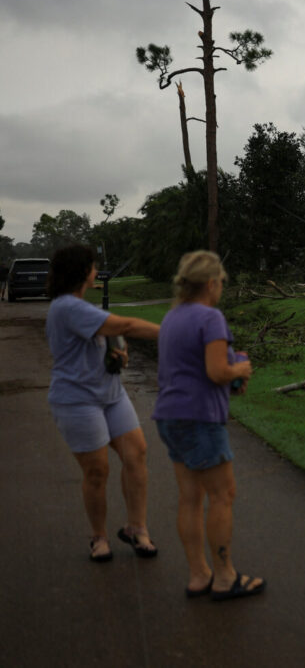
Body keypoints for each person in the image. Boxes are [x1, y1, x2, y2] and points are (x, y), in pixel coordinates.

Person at [152, 250, 265, 601]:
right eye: (221, 283)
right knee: (222, 494)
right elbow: (217, 371)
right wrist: (240, 370)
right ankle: (224, 576)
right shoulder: (210, 317)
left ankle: (199, 574)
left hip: (169, 416)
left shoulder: (172, 317)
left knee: (189, 497)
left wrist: (229, 367)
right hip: (200, 418)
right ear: (212, 283)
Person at [45, 244, 161, 562]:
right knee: (97, 471)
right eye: (93, 266)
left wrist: (115, 355)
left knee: (136, 454)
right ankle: (99, 538)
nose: (96, 271)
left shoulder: (79, 306)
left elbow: (107, 337)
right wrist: (171, 333)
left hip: (110, 394)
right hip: (77, 401)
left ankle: (137, 529)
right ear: (84, 271)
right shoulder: (67, 306)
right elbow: (124, 326)